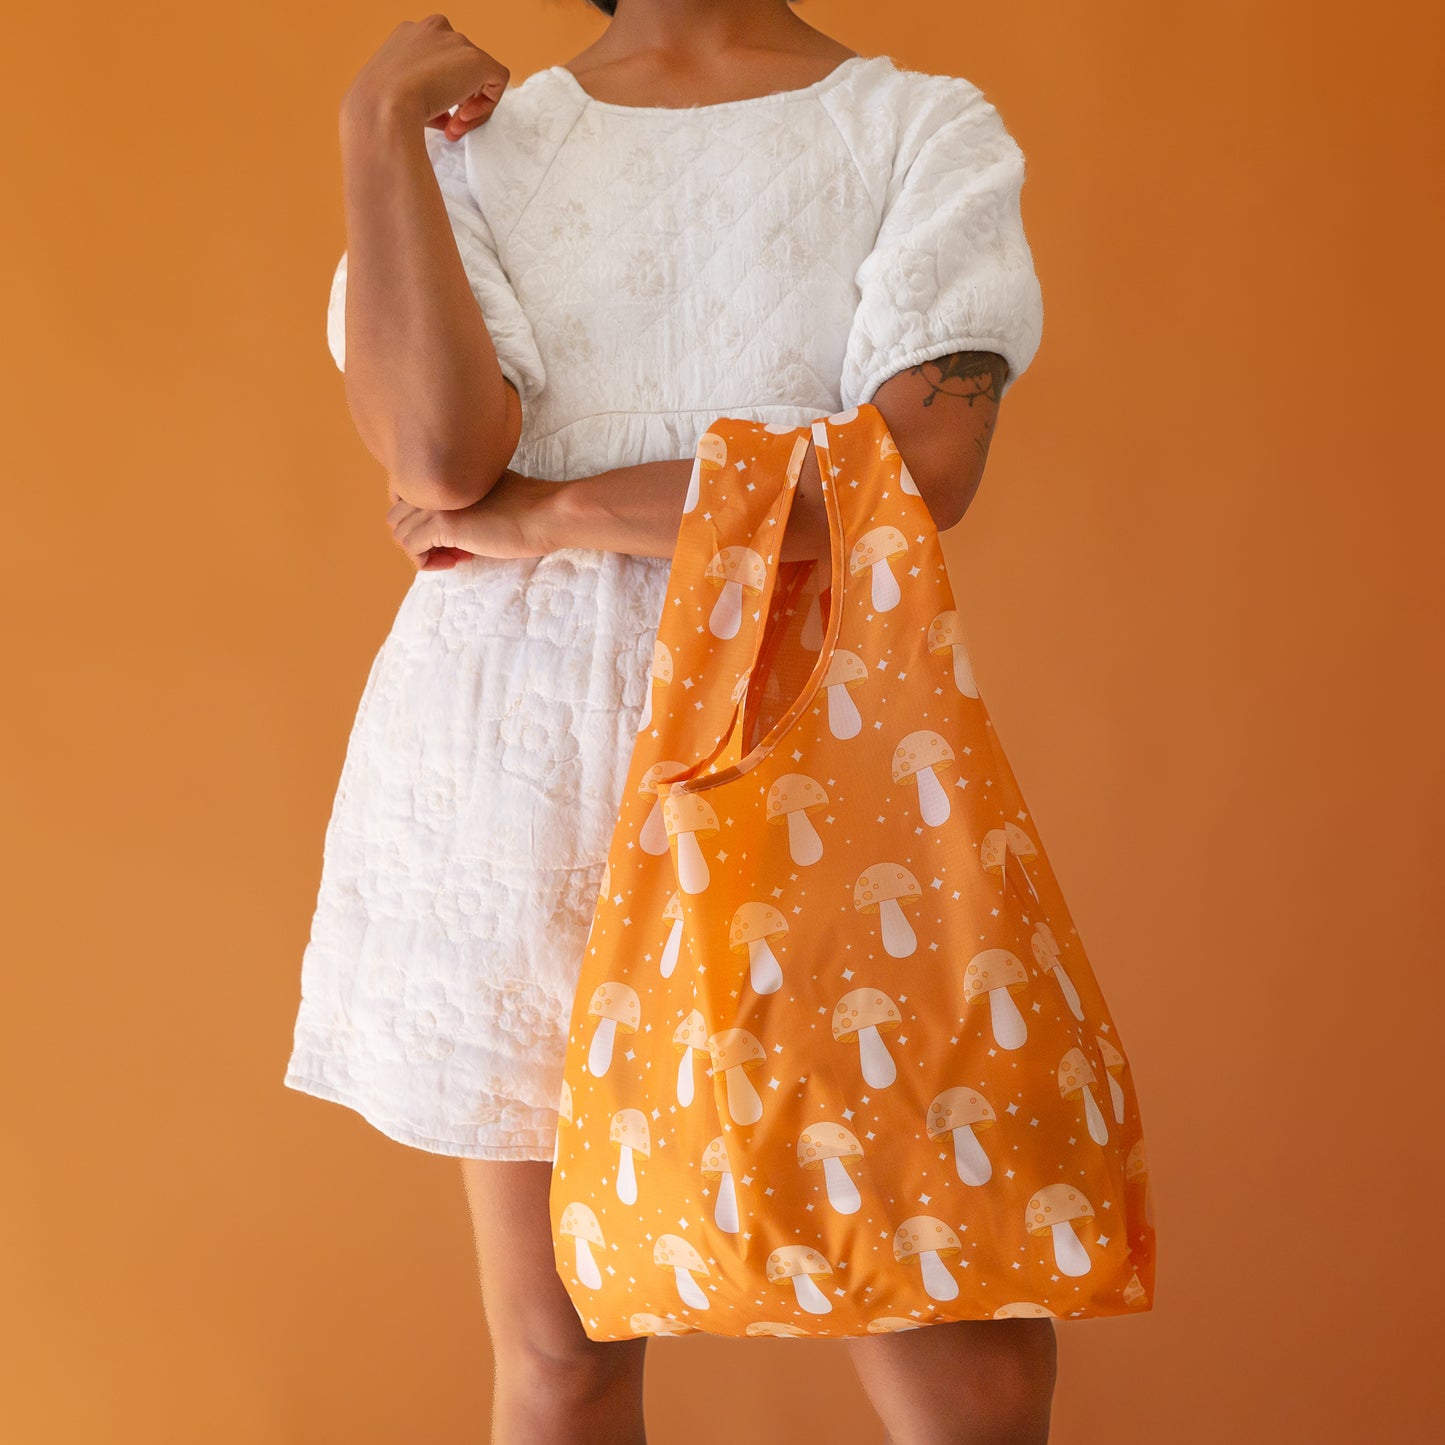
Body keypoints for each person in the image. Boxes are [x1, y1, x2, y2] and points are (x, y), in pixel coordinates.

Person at [284, 2, 1052, 1440]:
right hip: (521, 770)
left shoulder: (916, 127)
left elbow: (912, 465)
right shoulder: (479, 153)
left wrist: (560, 513)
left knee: (962, 1355)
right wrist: (372, 132)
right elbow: (444, 456)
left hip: (810, 758)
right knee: (564, 1351)